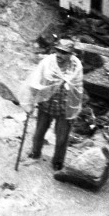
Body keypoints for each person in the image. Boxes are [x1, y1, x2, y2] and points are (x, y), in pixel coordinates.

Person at [25, 37, 83, 170]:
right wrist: (30, 101)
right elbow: (35, 81)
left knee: (62, 138)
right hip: (46, 104)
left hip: (64, 107)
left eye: (64, 52)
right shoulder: (48, 63)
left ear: (71, 54)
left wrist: (74, 110)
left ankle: (58, 161)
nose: (59, 55)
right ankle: (35, 152)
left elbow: (78, 89)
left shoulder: (76, 68)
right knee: (39, 132)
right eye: (58, 51)